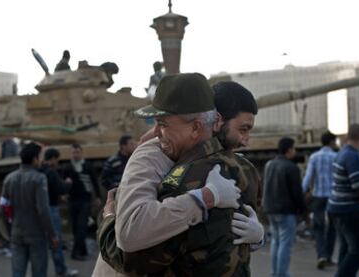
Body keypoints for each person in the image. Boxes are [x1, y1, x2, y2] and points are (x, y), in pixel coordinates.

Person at [95, 74, 263, 276]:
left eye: (163, 124)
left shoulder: (209, 170)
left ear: (199, 126)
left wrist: (257, 239)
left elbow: (130, 260)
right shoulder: (153, 155)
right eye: (243, 129)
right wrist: (205, 198)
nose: (155, 132)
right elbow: (130, 241)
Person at [0, 142, 58, 277]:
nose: (41, 160)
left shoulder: (9, 178)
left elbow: (3, 208)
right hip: (36, 234)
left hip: (16, 233)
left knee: (18, 272)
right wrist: (52, 235)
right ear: (34, 159)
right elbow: (43, 210)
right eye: (40, 156)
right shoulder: (39, 179)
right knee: (39, 272)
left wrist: (10, 231)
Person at [327, 123, 359, 277]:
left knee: (346, 248)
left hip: (336, 208)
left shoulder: (341, 153)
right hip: (350, 210)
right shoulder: (354, 156)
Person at [263, 137, 306, 277]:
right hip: (286, 211)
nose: (295, 151)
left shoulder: (269, 164)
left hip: (271, 209)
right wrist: (303, 210)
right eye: (294, 148)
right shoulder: (291, 167)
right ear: (289, 150)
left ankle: (275, 272)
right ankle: (282, 273)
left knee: (276, 240)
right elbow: (297, 193)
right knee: (285, 243)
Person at [302, 131, 337, 269]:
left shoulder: (314, 157)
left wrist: (301, 193)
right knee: (332, 228)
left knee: (319, 226)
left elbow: (308, 177)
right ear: (331, 142)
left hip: (318, 197)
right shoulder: (336, 156)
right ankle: (328, 256)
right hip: (333, 198)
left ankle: (321, 255)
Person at [41, 148, 79, 277]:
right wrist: (67, 183)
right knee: (56, 241)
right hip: (51, 209)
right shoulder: (51, 172)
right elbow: (61, 188)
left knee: (43, 243)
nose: (57, 162)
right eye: (56, 159)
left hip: (40, 210)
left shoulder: (39, 170)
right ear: (52, 158)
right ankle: (61, 270)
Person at [64, 143, 101, 261]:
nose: (75, 154)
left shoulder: (88, 166)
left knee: (82, 226)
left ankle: (75, 253)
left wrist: (98, 197)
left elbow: (95, 182)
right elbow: (62, 183)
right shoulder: (67, 167)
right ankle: (83, 250)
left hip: (85, 200)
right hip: (72, 200)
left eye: (77, 152)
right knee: (75, 228)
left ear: (81, 153)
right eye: (73, 152)